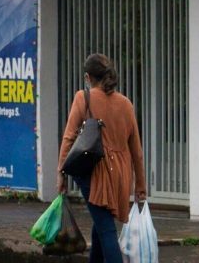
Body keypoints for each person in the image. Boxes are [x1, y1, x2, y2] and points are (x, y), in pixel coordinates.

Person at [57, 53, 147, 263]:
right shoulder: (126, 104)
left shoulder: (83, 97)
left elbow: (69, 138)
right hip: (121, 175)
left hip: (95, 174)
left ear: (88, 77)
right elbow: (136, 150)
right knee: (101, 226)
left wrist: (60, 173)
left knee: (106, 230)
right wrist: (140, 185)